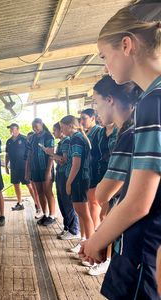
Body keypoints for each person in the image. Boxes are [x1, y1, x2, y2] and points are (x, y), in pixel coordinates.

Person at [79, 6, 161, 299]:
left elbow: (139, 201)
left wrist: (95, 241)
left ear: (126, 45)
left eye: (104, 56)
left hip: (147, 248)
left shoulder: (153, 102)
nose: (105, 67)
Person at [89, 75, 141, 276]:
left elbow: (103, 194)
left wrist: (95, 242)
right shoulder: (135, 129)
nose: (96, 109)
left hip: (132, 229)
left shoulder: (129, 136)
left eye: (96, 102)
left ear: (110, 100)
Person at [60, 115, 94, 256]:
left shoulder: (76, 138)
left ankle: (91, 249)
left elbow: (76, 163)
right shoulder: (80, 137)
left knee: (85, 214)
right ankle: (83, 241)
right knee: (80, 213)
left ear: (69, 125)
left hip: (79, 180)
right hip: (81, 179)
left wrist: (68, 183)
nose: (62, 130)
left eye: (62, 127)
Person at [45, 122, 80, 240]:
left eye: (55, 130)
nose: (53, 133)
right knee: (61, 201)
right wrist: (53, 156)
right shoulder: (60, 142)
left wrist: (51, 154)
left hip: (65, 174)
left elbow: (64, 159)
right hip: (60, 173)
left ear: (61, 130)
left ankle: (74, 229)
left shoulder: (66, 141)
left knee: (67, 202)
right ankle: (66, 227)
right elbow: (59, 160)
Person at [29, 118, 56, 226]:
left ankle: (52, 215)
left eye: (37, 126)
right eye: (33, 127)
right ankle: (45, 214)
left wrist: (48, 171)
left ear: (41, 124)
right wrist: (29, 170)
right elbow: (30, 154)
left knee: (47, 191)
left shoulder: (49, 136)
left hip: (46, 168)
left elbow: (51, 154)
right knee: (39, 192)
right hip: (35, 169)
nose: (35, 129)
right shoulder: (32, 138)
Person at [5, 123, 38, 211]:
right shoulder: (9, 141)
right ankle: (19, 203)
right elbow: (7, 154)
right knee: (16, 184)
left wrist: (29, 165)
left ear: (18, 129)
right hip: (14, 167)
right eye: (10, 129)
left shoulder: (24, 139)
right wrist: (6, 166)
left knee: (29, 185)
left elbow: (30, 152)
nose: (11, 130)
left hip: (24, 166)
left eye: (13, 129)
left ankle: (37, 203)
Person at [80, 108, 102, 230]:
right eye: (81, 119)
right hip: (86, 171)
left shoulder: (98, 131)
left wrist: (82, 133)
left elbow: (92, 149)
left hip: (94, 170)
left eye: (84, 118)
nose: (82, 121)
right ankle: (89, 233)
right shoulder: (87, 132)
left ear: (93, 118)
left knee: (94, 203)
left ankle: (94, 231)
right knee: (88, 203)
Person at [26, 131, 42, 218]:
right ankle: (38, 208)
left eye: (31, 139)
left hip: (39, 171)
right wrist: (27, 172)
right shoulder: (28, 149)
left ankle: (44, 210)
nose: (29, 140)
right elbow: (27, 160)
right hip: (32, 171)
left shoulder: (38, 148)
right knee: (35, 191)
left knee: (41, 192)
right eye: (28, 139)